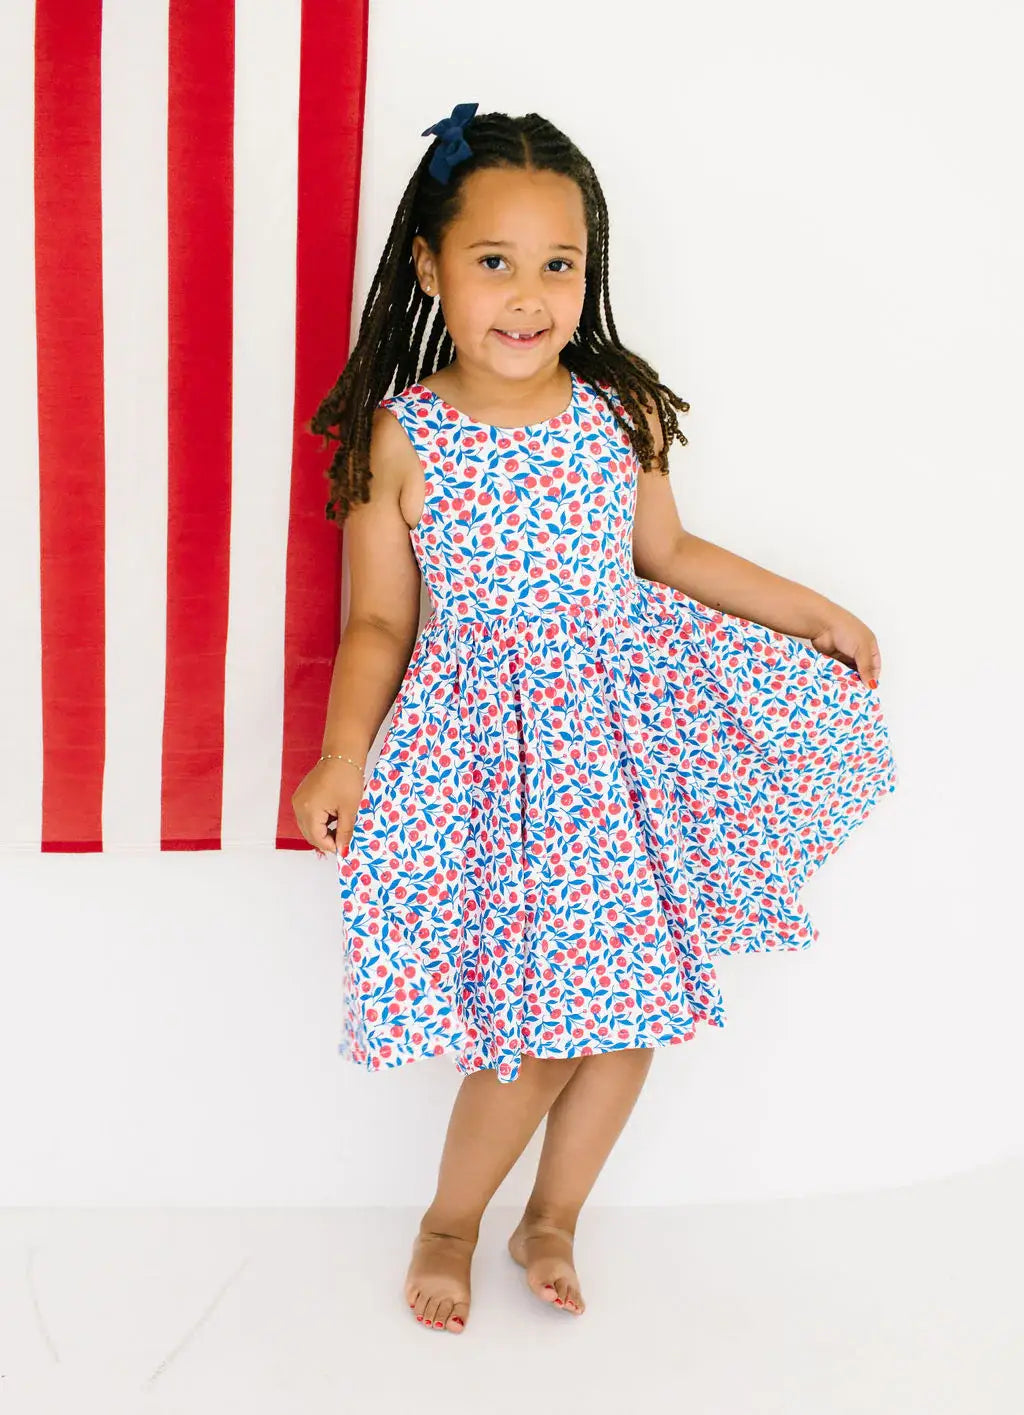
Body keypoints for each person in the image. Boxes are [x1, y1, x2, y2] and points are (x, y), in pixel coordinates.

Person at [291, 102, 898, 1336]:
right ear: (429, 267)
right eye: (493, 261)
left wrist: (811, 610)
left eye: (557, 265)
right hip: (492, 764)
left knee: (629, 1012)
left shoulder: (619, 412)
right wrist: (343, 752)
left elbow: (666, 553)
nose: (528, 296)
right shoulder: (405, 434)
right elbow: (379, 623)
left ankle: (552, 1215)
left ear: (589, 271)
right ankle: (450, 1219)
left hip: (620, 748)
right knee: (535, 1028)